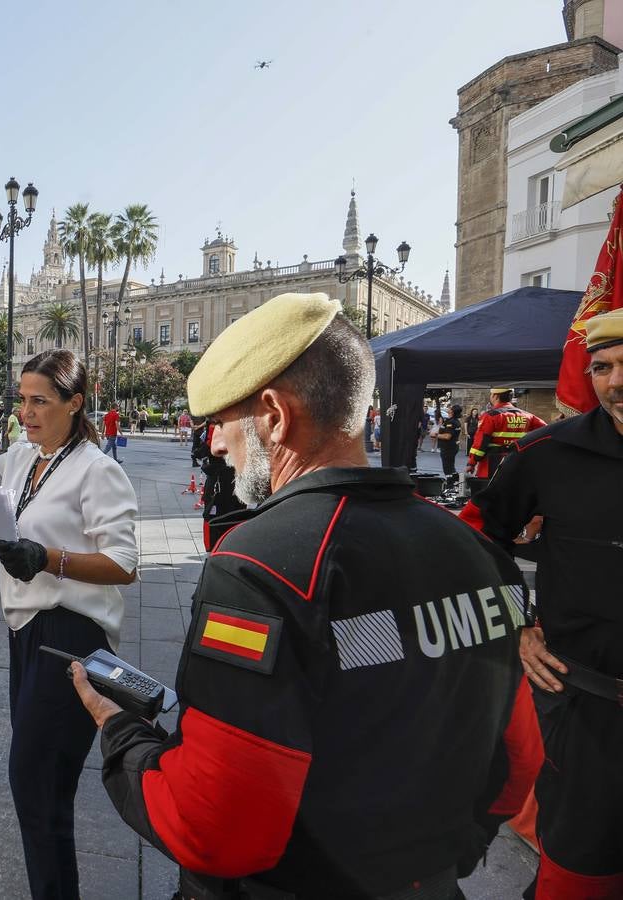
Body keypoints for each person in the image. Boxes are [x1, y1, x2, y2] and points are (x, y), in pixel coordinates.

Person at [72, 293, 540, 899]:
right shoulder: (478, 553)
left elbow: (215, 828)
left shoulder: (257, 565)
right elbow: (519, 760)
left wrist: (121, 735)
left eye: (221, 421)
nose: (214, 444)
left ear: (273, 415)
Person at [0, 349, 137, 898]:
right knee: (42, 791)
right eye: (23, 399)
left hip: (70, 636)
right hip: (26, 634)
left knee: (35, 787)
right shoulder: (21, 457)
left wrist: (46, 557)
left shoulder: (97, 470)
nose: (29, 411)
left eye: (41, 400)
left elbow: (124, 563)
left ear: (74, 402)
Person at [459, 308, 623, 899]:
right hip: (586, 709)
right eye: (602, 367)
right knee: (580, 870)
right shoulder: (548, 450)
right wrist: (517, 626)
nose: (615, 382)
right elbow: (474, 539)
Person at [467, 388, 547, 480]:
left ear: (495, 396)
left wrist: (471, 463)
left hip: (492, 465)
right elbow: (545, 429)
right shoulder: (527, 415)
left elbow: (480, 442)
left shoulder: (490, 416)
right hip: (518, 463)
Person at [436, 402, 464, 487]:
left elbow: (447, 436)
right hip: (451, 447)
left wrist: (436, 435)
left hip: (448, 447)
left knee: (447, 468)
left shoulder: (451, 422)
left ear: (452, 411)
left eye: (450, 408)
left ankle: (450, 485)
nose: (448, 408)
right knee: (450, 467)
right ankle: (457, 482)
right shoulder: (452, 421)